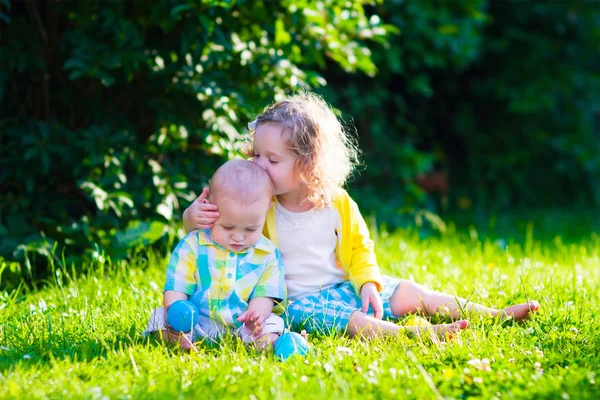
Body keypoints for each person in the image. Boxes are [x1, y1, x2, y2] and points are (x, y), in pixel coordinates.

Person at [182, 93, 540, 340]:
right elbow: (217, 235)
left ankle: (492, 314)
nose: (258, 165)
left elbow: (359, 248)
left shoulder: (335, 202)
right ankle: (409, 336)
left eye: (272, 160)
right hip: (295, 303)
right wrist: (192, 218)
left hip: (344, 288)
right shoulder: (259, 205)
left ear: (308, 165)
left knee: (410, 292)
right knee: (351, 321)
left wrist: (368, 283)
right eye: (256, 154)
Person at [145, 160, 286, 351]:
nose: (238, 236)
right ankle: (178, 338)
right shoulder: (194, 244)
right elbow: (177, 282)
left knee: (272, 323)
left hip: (242, 326)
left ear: (267, 209)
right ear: (210, 207)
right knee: (159, 317)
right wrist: (175, 308)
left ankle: (267, 343)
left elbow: (265, 293)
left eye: (251, 228)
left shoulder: (268, 254)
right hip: (195, 322)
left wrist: (256, 315)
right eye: (227, 227)